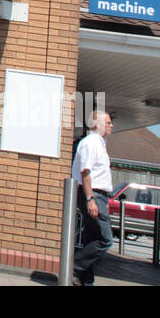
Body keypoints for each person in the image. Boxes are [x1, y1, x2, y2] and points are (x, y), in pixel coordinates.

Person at [71, 110, 113, 285]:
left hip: (99, 196)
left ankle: (85, 280)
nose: (112, 126)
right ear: (97, 124)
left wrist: (105, 200)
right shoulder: (90, 144)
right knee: (105, 239)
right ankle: (73, 267)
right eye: (108, 122)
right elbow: (85, 172)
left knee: (92, 239)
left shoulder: (99, 143)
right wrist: (91, 199)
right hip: (92, 194)